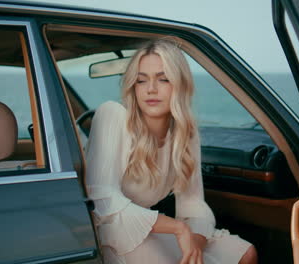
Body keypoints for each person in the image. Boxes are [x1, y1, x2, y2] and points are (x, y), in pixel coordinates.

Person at [86, 39, 258, 264]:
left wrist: (195, 243)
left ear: (180, 84)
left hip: (152, 226)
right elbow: (101, 199)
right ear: (133, 86)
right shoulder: (112, 115)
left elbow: (193, 204)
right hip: (115, 233)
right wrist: (178, 228)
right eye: (141, 80)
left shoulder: (185, 133)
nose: (151, 89)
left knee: (246, 254)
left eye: (163, 79)